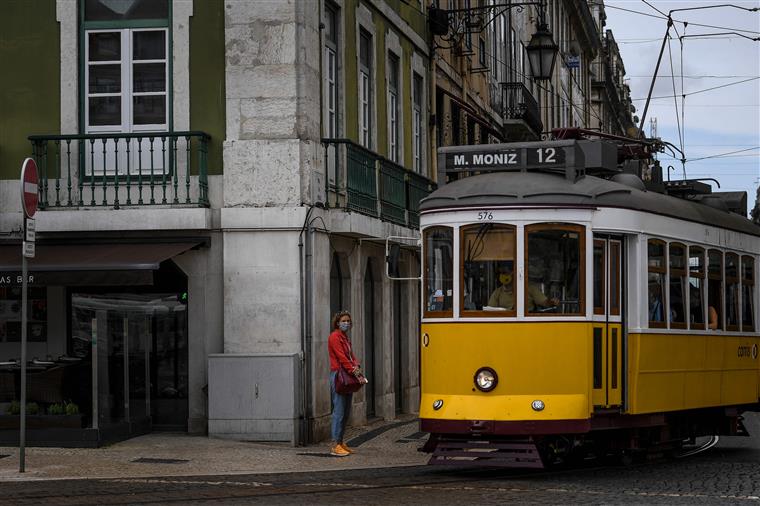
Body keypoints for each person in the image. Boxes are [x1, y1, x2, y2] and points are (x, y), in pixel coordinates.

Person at [328, 310, 367, 457]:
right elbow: (342, 357)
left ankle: (340, 441)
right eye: (344, 321)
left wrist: (356, 365)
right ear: (337, 322)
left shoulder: (344, 337)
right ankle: (335, 444)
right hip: (339, 375)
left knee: (345, 411)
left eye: (348, 321)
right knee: (338, 410)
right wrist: (355, 372)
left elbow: (351, 356)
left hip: (347, 375)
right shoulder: (334, 337)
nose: (346, 323)